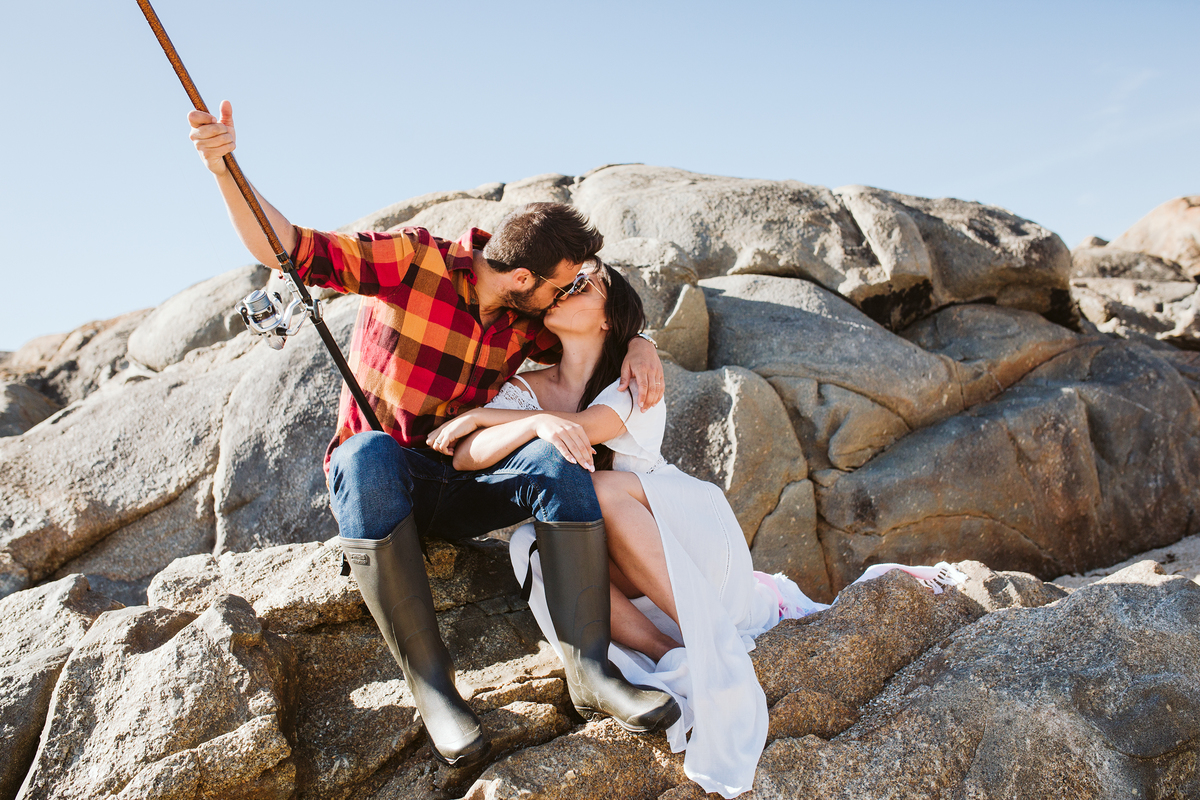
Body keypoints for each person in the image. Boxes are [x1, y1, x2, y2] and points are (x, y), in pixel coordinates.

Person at [187, 102, 680, 769]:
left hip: (463, 478)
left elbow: (602, 313)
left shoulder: (522, 315)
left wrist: (642, 341)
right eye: (562, 286)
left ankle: (592, 671)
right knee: (366, 454)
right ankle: (435, 691)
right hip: (386, 484)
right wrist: (224, 168)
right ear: (522, 278)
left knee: (558, 449)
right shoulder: (414, 260)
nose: (568, 297)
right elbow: (292, 246)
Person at [425, 261, 966, 797]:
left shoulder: (634, 375)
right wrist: (512, 420)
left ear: (611, 320)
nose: (567, 289)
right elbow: (468, 456)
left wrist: (493, 419)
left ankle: (714, 641)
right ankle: (668, 651)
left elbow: (585, 433)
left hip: (684, 527)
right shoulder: (526, 386)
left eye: (584, 284)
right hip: (618, 552)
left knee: (601, 490)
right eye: (564, 283)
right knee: (532, 543)